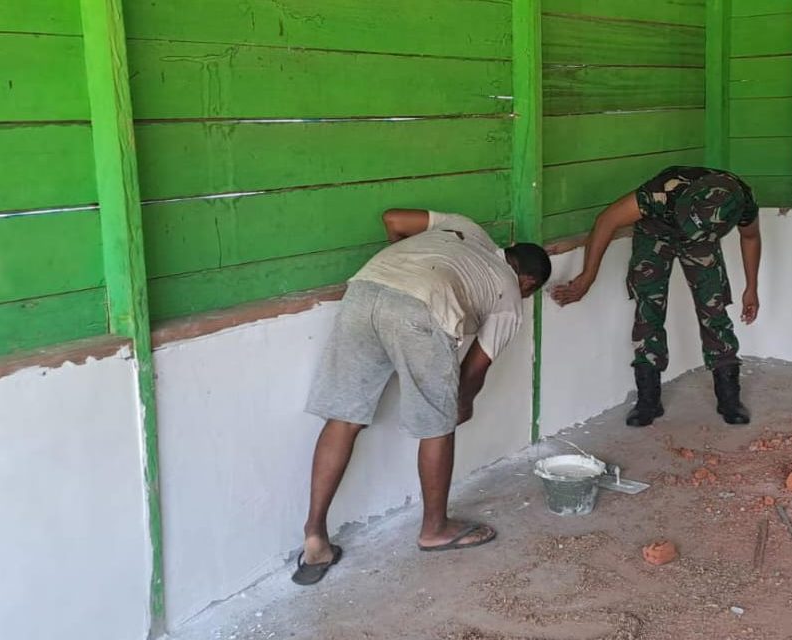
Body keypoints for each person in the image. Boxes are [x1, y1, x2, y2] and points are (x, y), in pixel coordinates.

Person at [292, 209, 551, 585]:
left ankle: (315, 535)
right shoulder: (510, 296)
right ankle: (435, 529)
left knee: (343, 418)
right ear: (527, 282)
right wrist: (461, 404)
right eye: (530, 291)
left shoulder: (466, 227)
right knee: (437, 427)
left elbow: (393, 219)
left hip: (364, 292)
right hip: (422, 310)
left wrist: (406, 275)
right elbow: (474, 370)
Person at [551, 166, 762, 427]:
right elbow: (607, 219)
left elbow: (751, 237)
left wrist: (751, 287)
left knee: (714, 310)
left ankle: (729, 399)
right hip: (655, 233)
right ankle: (648, 400)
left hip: (702, 239)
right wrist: (588, 275)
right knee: (647, 310)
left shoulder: (741, 200)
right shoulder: (662, 192)